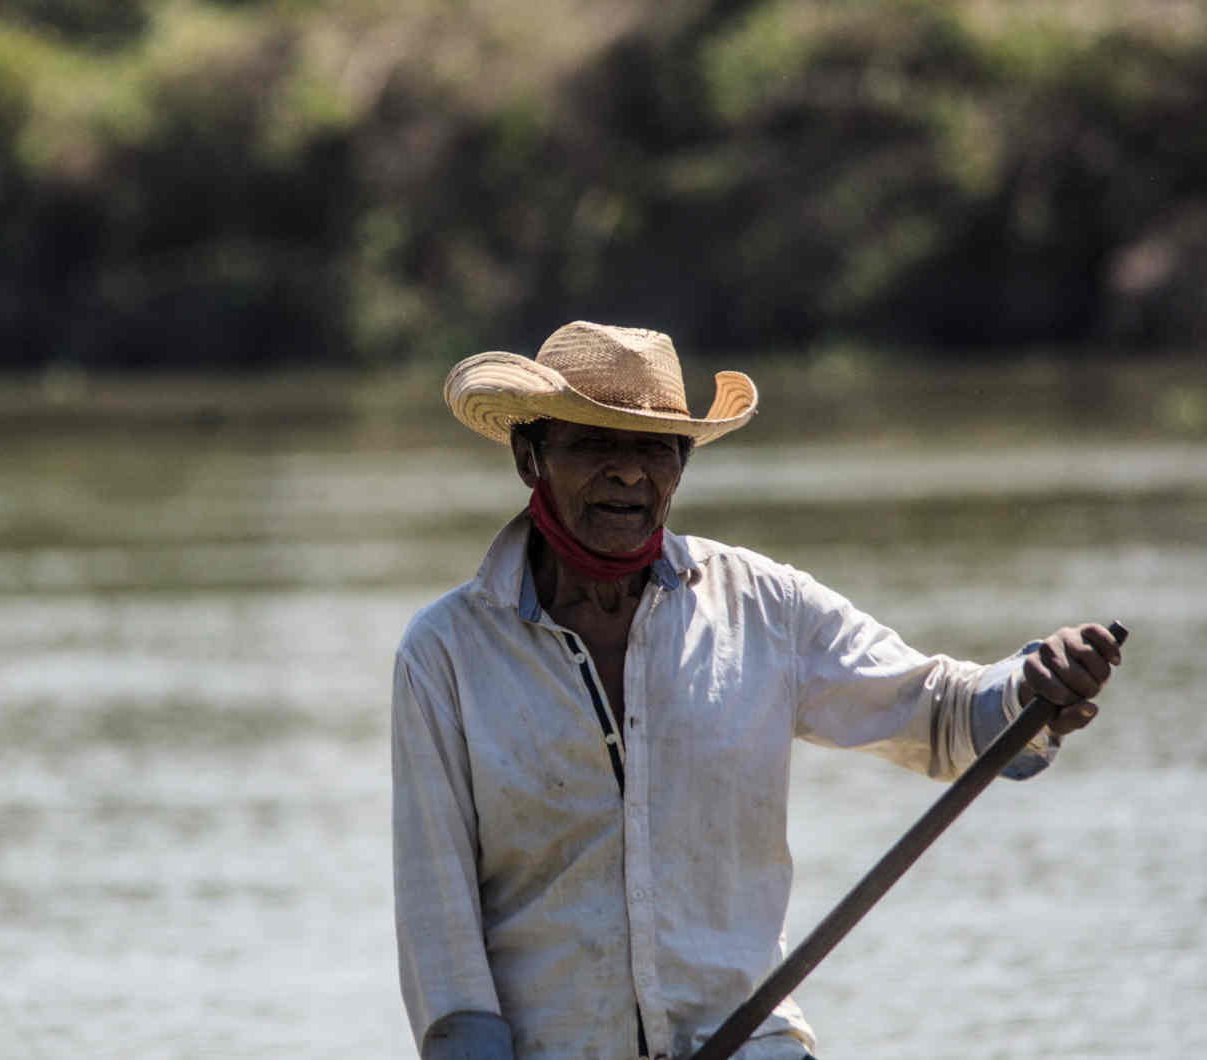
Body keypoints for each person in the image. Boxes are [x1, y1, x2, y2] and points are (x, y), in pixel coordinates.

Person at [391, 321, 1121, 1060]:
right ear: (530, 457)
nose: (628, 474)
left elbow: (935, 712)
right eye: (593, 444)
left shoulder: (762, 607)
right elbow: (439, 927)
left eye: (653, 447)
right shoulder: (446, 654)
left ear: (681, 463)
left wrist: (1032, 686)